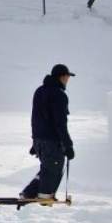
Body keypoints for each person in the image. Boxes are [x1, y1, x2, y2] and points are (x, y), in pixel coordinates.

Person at [21, 63, 76, 200]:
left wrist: (35, 141)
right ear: (62, 77)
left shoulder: (39, 91)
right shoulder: (59, 95)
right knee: (55, 167)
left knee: (48, 167)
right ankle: (44, 195)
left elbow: (35, 117)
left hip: (40, 139)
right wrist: (68, 145)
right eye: (67, 77)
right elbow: (60, 123)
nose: (68, 80)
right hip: (51, 141)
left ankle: (29, 192)